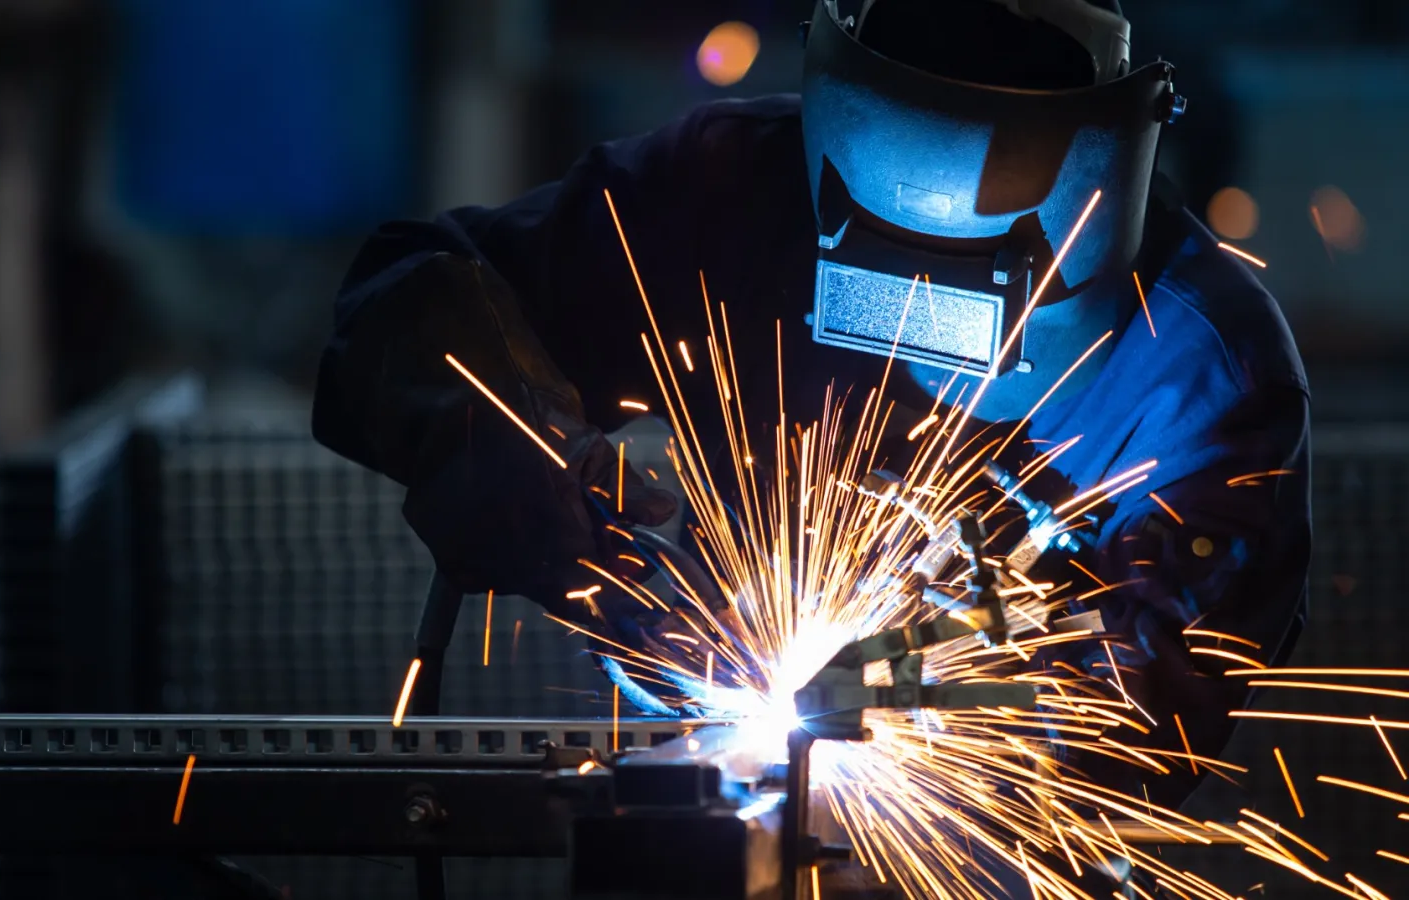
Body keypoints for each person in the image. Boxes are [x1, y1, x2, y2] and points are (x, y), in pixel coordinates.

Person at [313, 0, 1309, 847]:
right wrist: (524, 460)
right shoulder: (727, 193)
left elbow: (1133, 733)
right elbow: (406, 295)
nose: (919, 321)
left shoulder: (1200, 375)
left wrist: (934, 684)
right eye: (878, 276)